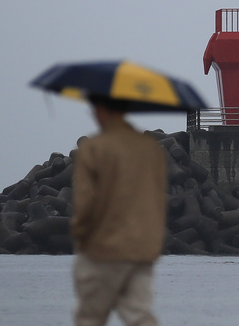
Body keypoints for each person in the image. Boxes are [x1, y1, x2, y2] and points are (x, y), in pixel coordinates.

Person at [70, 95, 167, 326]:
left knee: (90, 317)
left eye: (94, 109)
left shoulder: (93, 148)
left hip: (104, 248)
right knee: (140, 316)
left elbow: (84, 203)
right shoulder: (150, 148)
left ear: (103, 109)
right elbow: (158, 198)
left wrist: (81, 237)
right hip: (143, 250)